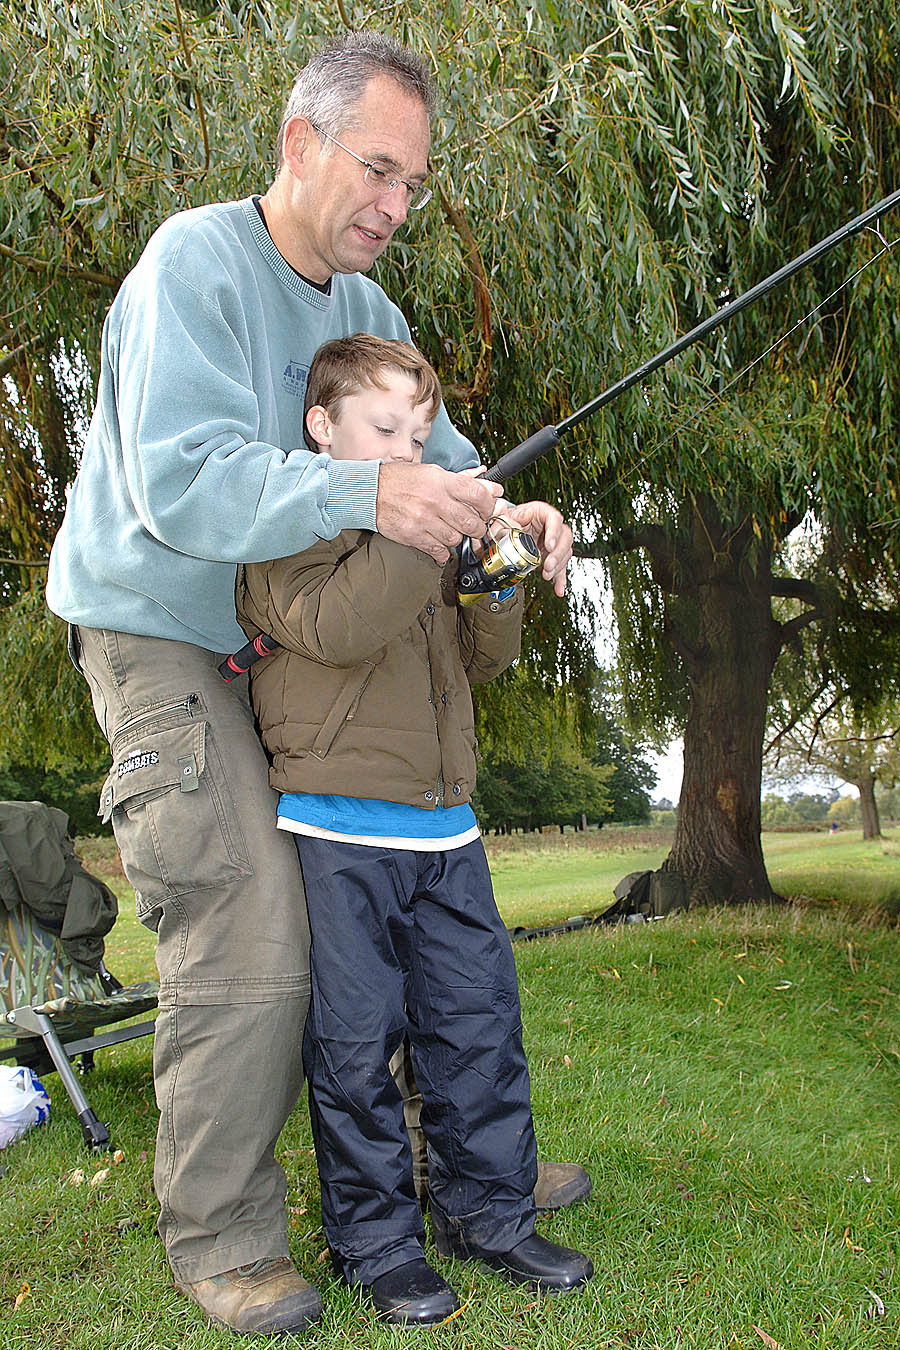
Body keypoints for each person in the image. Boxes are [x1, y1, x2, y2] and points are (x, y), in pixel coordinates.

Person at [45, 30, 584, 1338]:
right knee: (251, 916)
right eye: (378, 172)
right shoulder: (197, 265)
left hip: (293, 642)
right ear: (301, 144)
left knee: (372, 921)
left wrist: (514, 520)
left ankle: (458, 1172)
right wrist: (377, 490)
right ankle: (224, 1237)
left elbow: (447, 470)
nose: (395, 209)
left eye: (413, 186)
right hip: (163, 631)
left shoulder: (370, 311)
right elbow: (181, 482)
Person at [236, 333, 593, 1324]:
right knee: (356, 1048)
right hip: (340, 832)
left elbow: (482, 656)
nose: (409, 447)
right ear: (324, 427)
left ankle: (490, 1215)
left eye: (422, 433)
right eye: (385, 428)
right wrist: (424, 523)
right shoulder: (281, 527)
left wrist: (503, 557)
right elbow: (345, 626)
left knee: (478, 1030)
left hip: (445, 831)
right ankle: (378, 1244)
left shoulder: (424, 535)